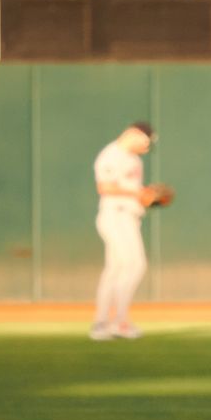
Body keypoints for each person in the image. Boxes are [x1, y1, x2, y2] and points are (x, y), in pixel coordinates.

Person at [89, 121, 159, 341]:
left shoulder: (134, 159)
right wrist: (139, 194)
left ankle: (104, 323)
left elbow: (131, 190)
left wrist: (146, 195)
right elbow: (105, 187)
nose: (146, 149)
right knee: (134, 265)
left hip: (129, 216)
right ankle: (117, 321)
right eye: (146, 143)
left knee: (116, 269)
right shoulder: (111, 154)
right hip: (115, 215)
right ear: (135, 133)